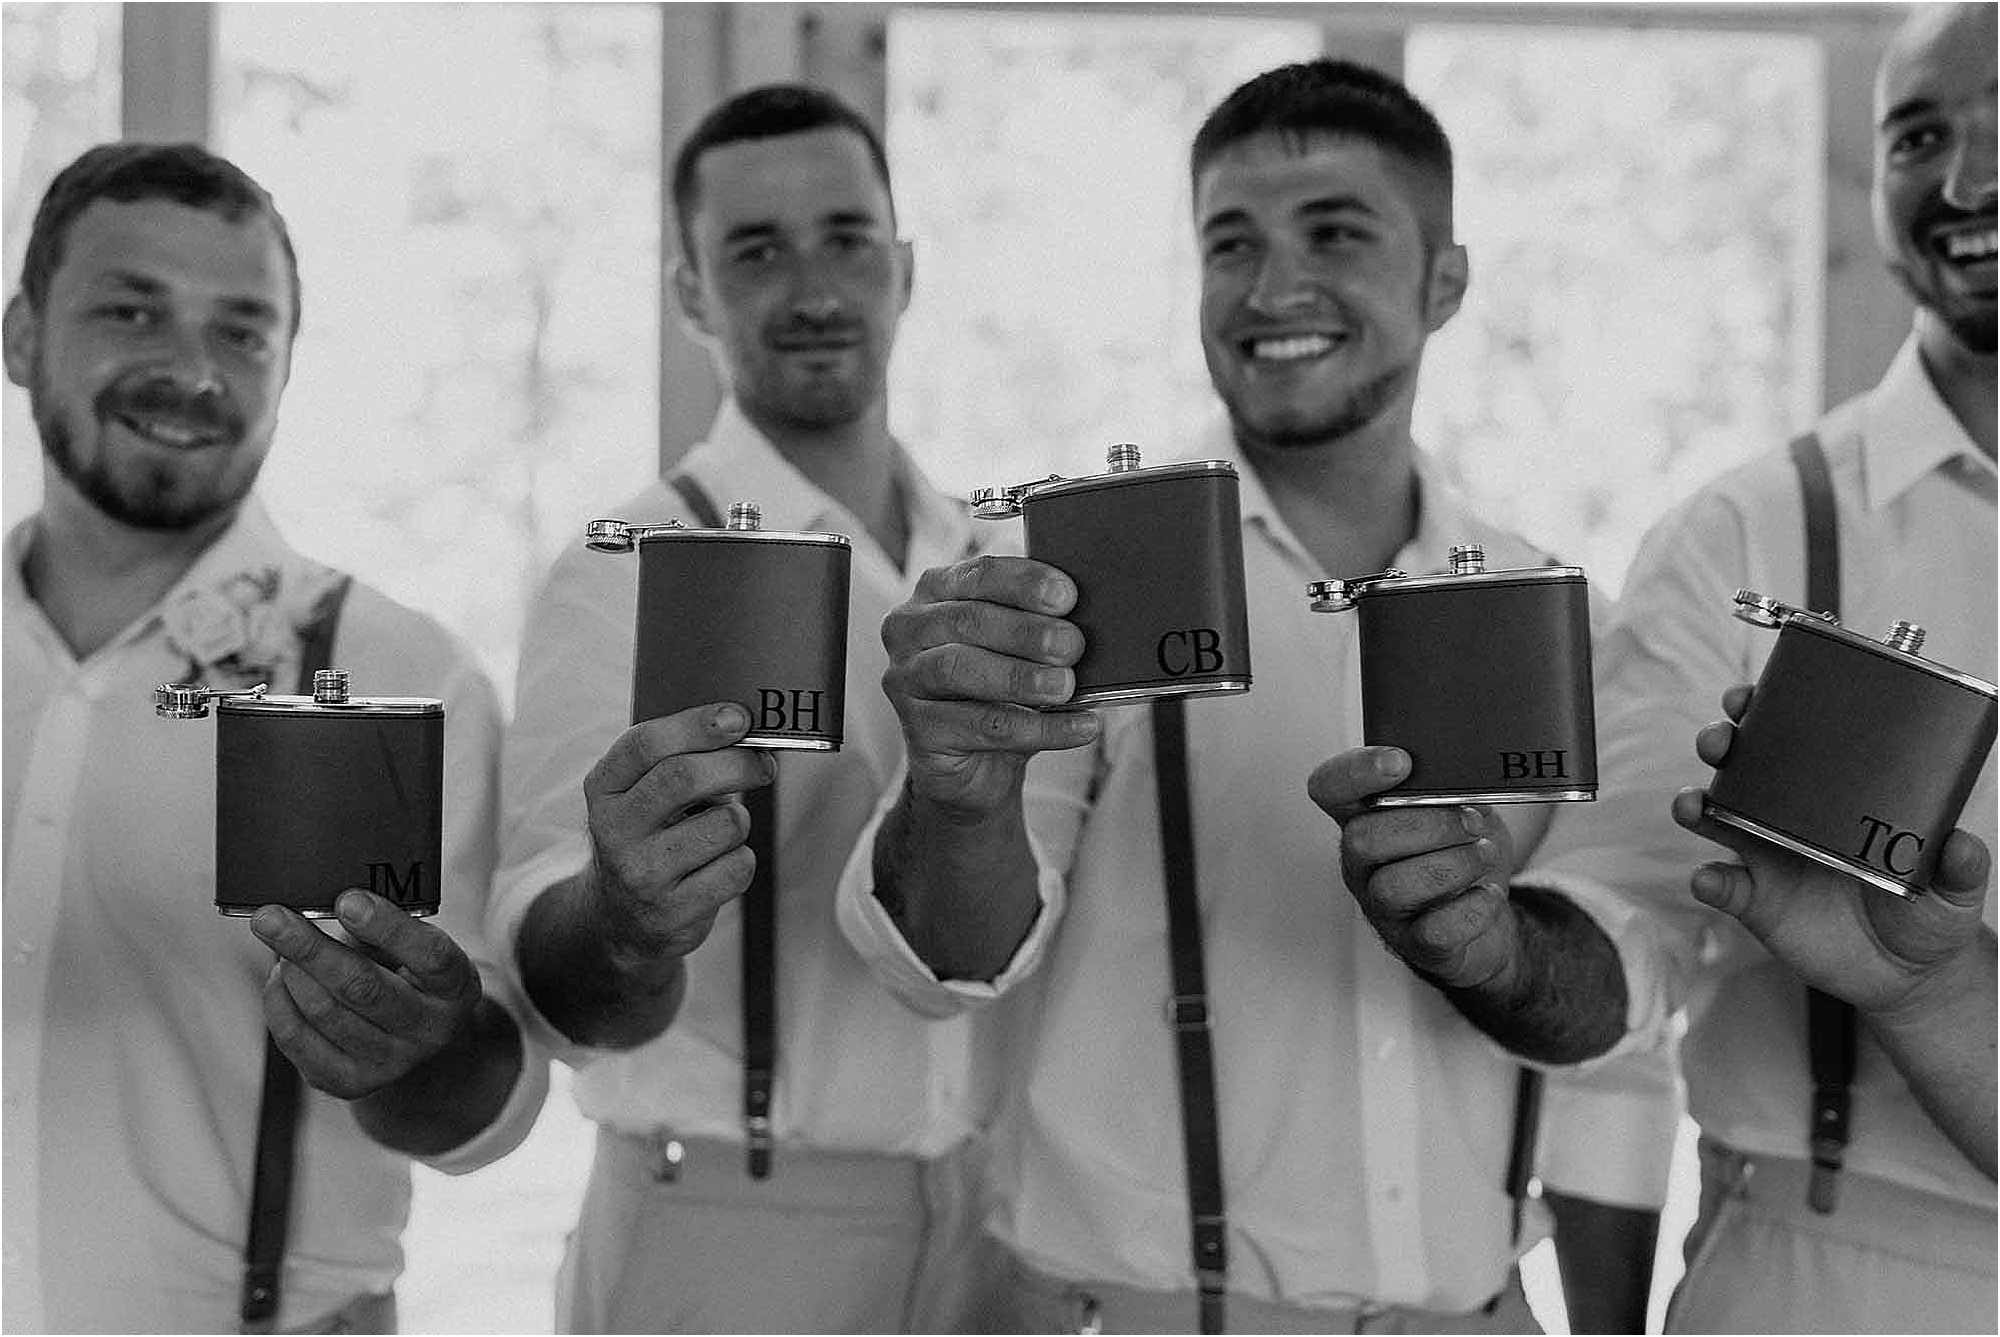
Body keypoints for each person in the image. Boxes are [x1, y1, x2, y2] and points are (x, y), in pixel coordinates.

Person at [837, 58, 1647, 1331]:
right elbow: (944, 961)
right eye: (1231, 243)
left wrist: (1496, 942)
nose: (1274, 288)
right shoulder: (1071, 574)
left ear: (1444, 281)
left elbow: (1618, 1011)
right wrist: (957, 792)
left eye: (1334, 231)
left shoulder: (1558, 619)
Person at [1312, 3, 1996, 1330]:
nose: (1966, 181)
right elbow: (1625, 931)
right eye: (1918, 135)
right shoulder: (1747, 531)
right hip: (1830, 1275)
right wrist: (1495, 948)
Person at [2, 142, 548, 1333]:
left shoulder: (402, 676)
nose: (192, 369)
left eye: (242, 330)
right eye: (132, 308)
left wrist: (429, 1044)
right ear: (21, 337)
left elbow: (489, 1116)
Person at [489, 84, 990, 1333]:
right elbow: (548, 967)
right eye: (755, 251)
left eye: (846, 238)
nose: (814, 288)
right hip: (719, 1232)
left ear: (906, 267)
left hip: (991, 1232)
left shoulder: (986, 559)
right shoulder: (625, 561)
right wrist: (618, 905)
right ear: (691, 295)